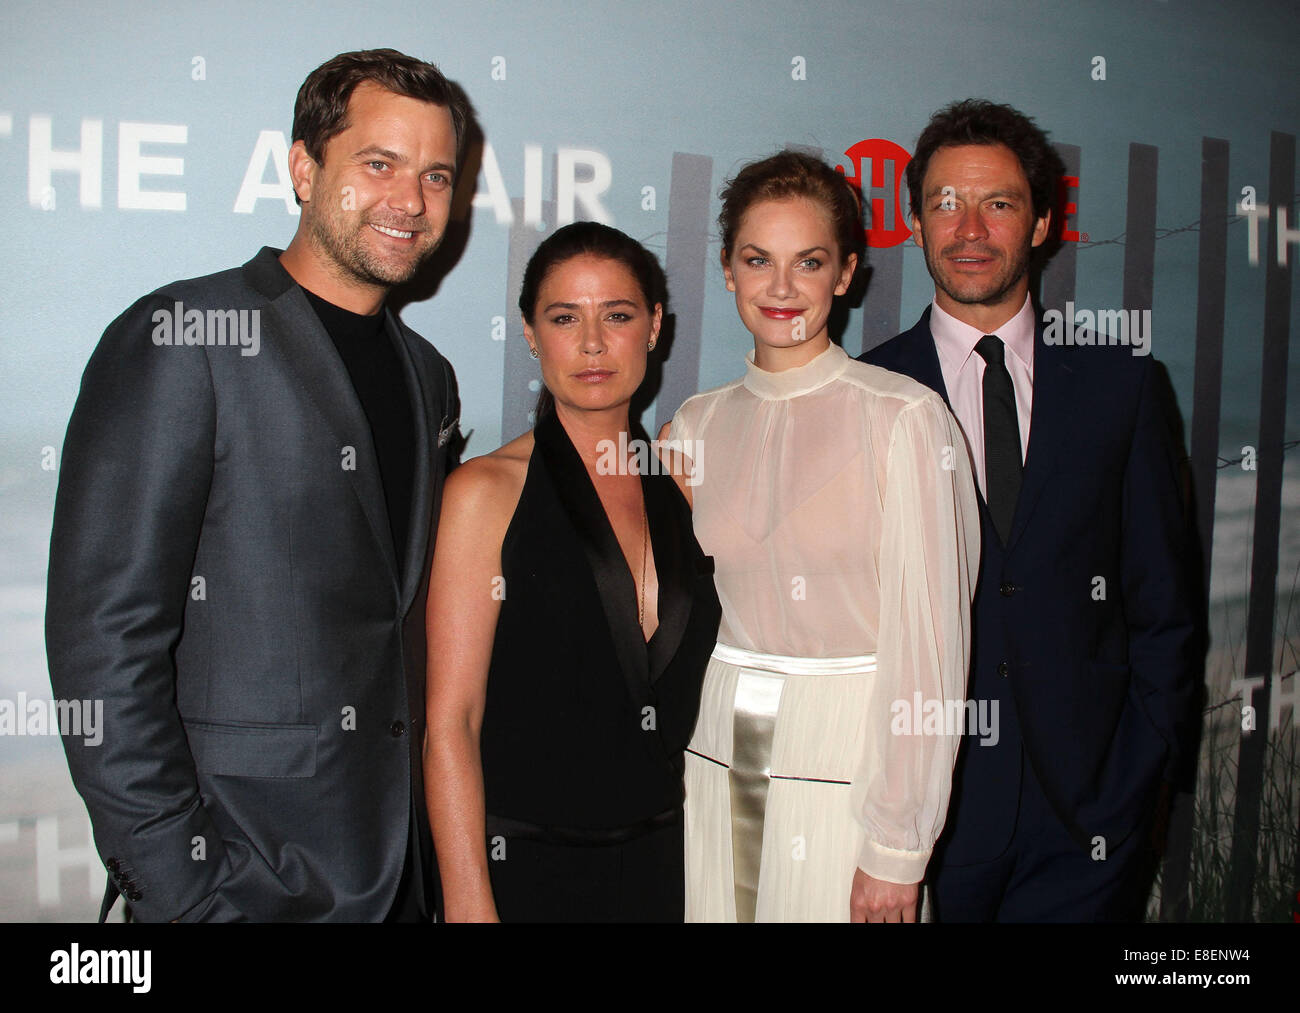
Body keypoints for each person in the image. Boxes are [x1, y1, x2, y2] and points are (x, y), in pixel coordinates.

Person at [45, 49, 468, 922]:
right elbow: (103, 648)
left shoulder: (429, 377)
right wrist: (183, 891)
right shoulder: (187, 337)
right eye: (378, 165)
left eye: (436, 175)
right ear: (304, 168)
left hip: (400, 880)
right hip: (242, 880)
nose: (411, 201)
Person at [862, 99, 1197, 921]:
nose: (969, 227)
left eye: (999, 203)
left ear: (1043, 221)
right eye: (945, 202)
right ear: (912, 223)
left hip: (1089, 823)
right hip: (923, 827)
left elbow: (1165, 606)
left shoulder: (1122, 387)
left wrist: (1140, 775)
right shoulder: (865, 394)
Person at [662, 151, 979, 922]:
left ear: (845, 274)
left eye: (808, 262)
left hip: (852, 774)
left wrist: (898, 849)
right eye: (756, 260)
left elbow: (931, 653)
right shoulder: (694, 426)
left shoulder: (902, 418)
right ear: (729, 271)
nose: (780, 287)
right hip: (710, 761)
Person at [424, 222, 721, 922]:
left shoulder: (684, 484)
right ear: (531, 333)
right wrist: (470, 902)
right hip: (525, 874)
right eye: (565, 317)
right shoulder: (485, 493)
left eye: (617, 315)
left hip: (669, 871)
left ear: (654, 326)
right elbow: (451, 724)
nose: (592, 342)